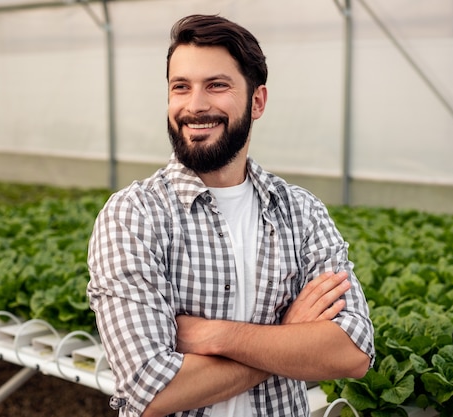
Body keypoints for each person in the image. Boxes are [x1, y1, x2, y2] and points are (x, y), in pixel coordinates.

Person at [87, 14, 374, 417]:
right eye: (180, 87)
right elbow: (151, 390)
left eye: (216, 85)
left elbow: (352, 351)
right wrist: (289, 339)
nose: (195, 105)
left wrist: (215, 336)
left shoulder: (301, 212)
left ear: (257, 101)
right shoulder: (134, 215)